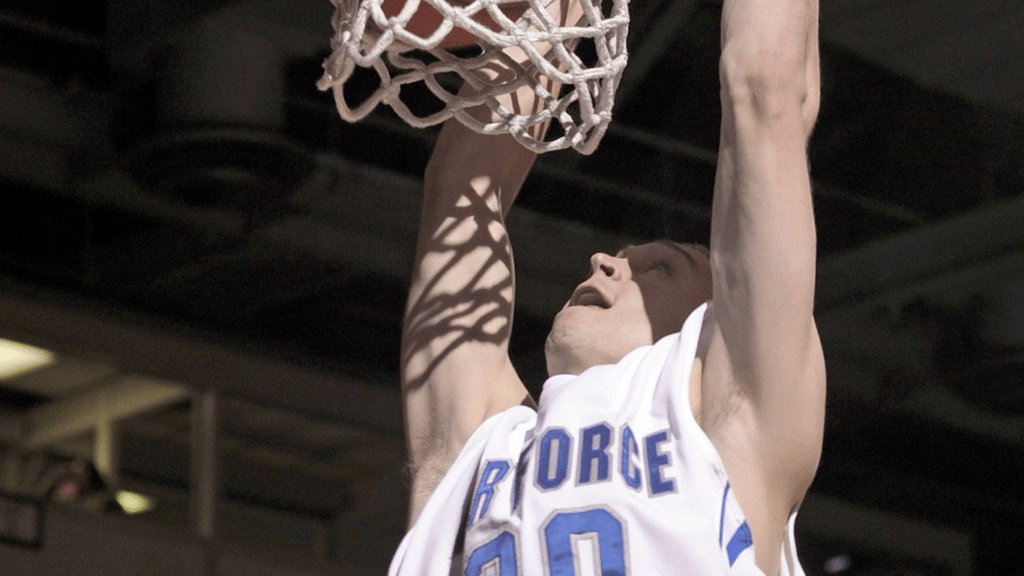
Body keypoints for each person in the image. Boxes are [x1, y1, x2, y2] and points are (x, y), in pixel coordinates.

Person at [389, 0, 824, 572]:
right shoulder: (475, 448)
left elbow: (764, 84)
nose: (604, 261)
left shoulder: (732, 415)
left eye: (660, 268)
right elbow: (462, 187)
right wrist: (554, 15)